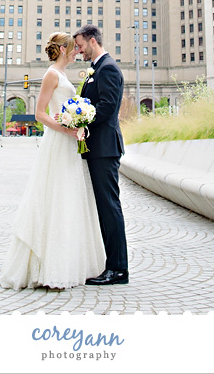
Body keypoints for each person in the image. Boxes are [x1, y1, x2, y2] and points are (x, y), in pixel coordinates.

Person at [0, 32, 105, 290]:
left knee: (69, 199)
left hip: (70, 143)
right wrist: (66, 127)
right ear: (61, 49)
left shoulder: (64, 76)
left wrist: (77, 124)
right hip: (58, 142)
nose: (77, 52)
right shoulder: (51, 75)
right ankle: (48, 268)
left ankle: (69, 263)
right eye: (72, 48)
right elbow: (40, 113)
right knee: (55, 197)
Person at [73, 24, 129, 286]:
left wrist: (81, 120)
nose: (78, 50)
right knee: (105, 209)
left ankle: (118, 269)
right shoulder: (98, 68)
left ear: (93, 41)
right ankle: (113, 266)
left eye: (80, 45)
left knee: (110, 208)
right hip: (98, 149)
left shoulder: (107, 69)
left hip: (105, 149)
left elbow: (107, 107)